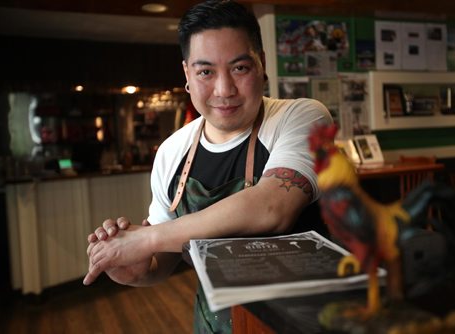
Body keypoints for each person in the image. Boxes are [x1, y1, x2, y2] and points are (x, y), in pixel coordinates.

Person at [84, 1, 333, 333]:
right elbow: (163, 263)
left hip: (307, 321)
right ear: (187, 74)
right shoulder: (171, 152)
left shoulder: (302, 117)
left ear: (262, 64)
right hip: (216, 324)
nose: (224, 89)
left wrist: (146, 239)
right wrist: (135, 267)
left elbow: (273, 207)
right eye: (206, 72)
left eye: (240, 68)